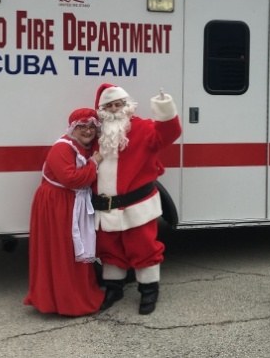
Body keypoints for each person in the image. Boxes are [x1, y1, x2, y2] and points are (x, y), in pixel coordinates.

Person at [92, 83, 182, 315]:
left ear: (127, 105)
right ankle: (114, 288)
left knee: (143, 248)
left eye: (118, 104)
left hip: (137, 205)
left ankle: (149, 291)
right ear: (102, 109)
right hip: (105, 207)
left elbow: (169, 133)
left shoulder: (143, 128)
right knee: (109, 249)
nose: (114, 109)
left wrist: (164, 108)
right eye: (109, 105)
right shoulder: (96, 134)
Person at [24, 108, 105, 316]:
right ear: (72, 128)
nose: (87, 131)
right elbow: (72, 179)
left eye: (91, 127)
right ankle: (63, 300)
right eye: (82, 127)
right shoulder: (62, 148)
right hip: (57, 204)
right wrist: (95, 163)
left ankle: (75, 295)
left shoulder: (81, 147)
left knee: (72, 251)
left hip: (70, 203)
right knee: (62, 251)